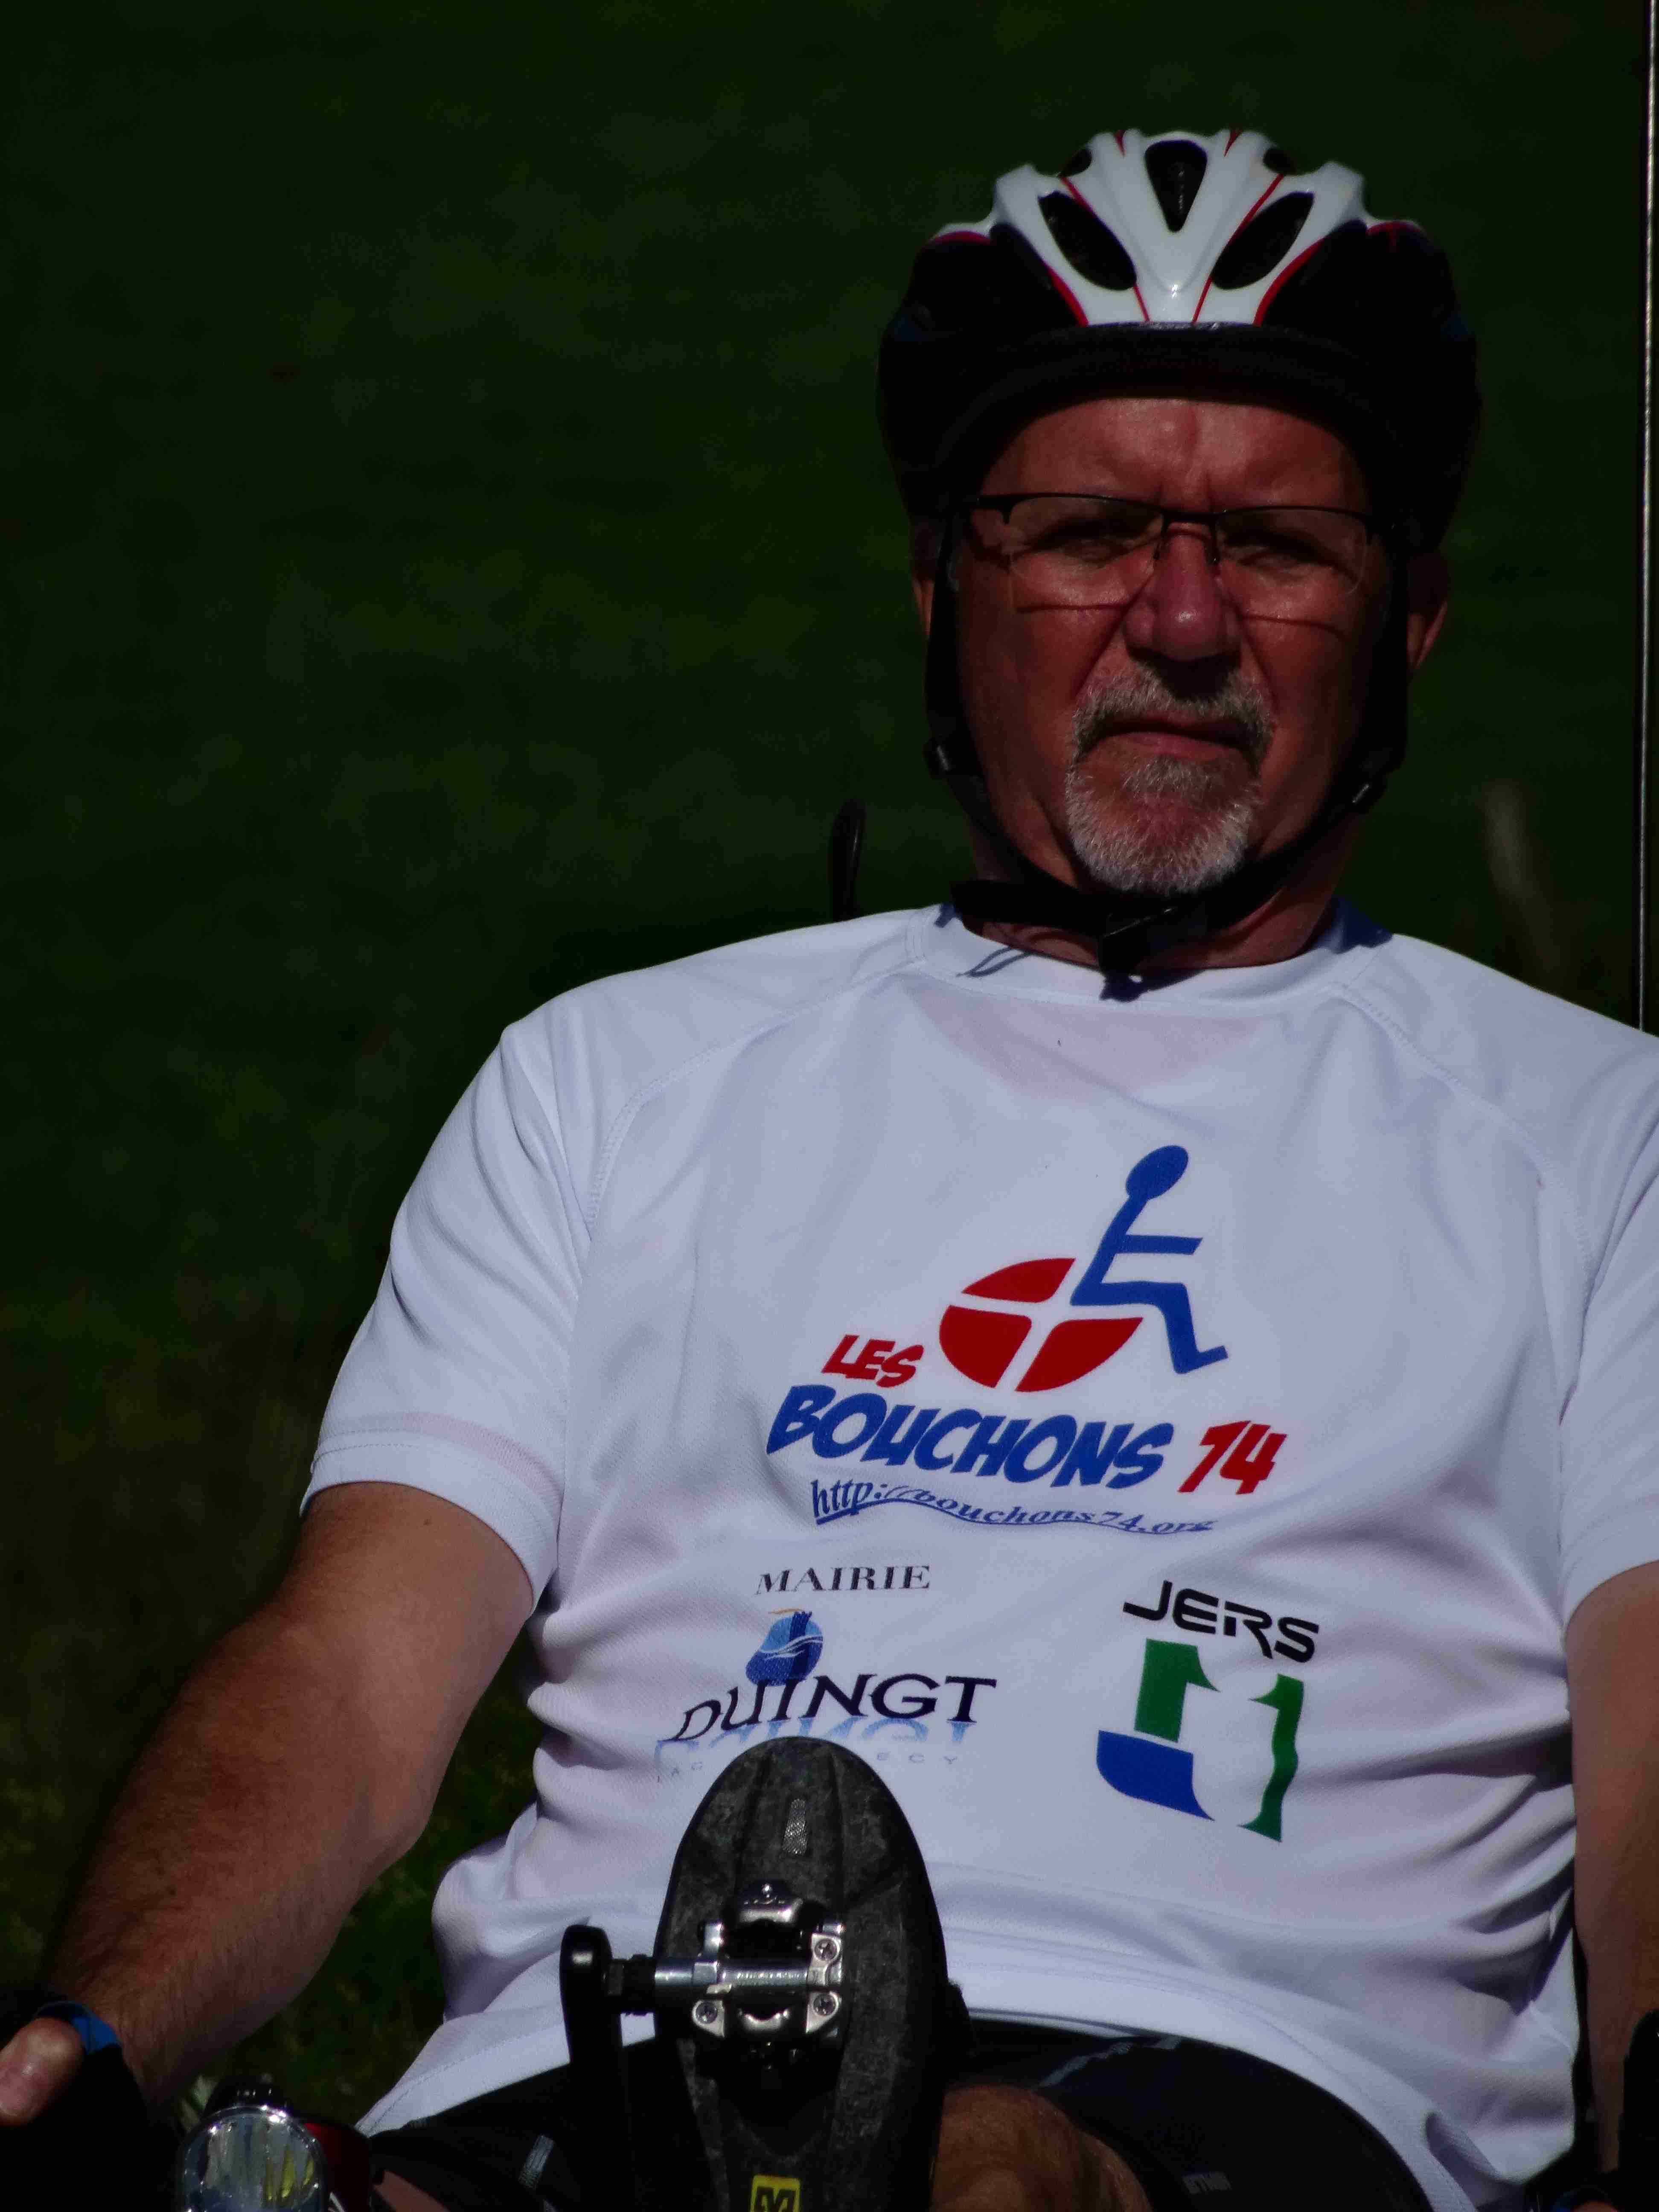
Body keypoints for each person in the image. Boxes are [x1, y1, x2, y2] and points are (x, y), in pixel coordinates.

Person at [4, 125, 1657, 2212]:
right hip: (597, 2079)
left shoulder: (1600, 1142)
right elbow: (343, 1681)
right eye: (1087, 533)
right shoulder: (616, 1078)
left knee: (983, 2177)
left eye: (1275, 547)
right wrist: (87, 2044)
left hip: (1225, 2099)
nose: (1178, 620)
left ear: (1408, 616)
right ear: (941, 586)